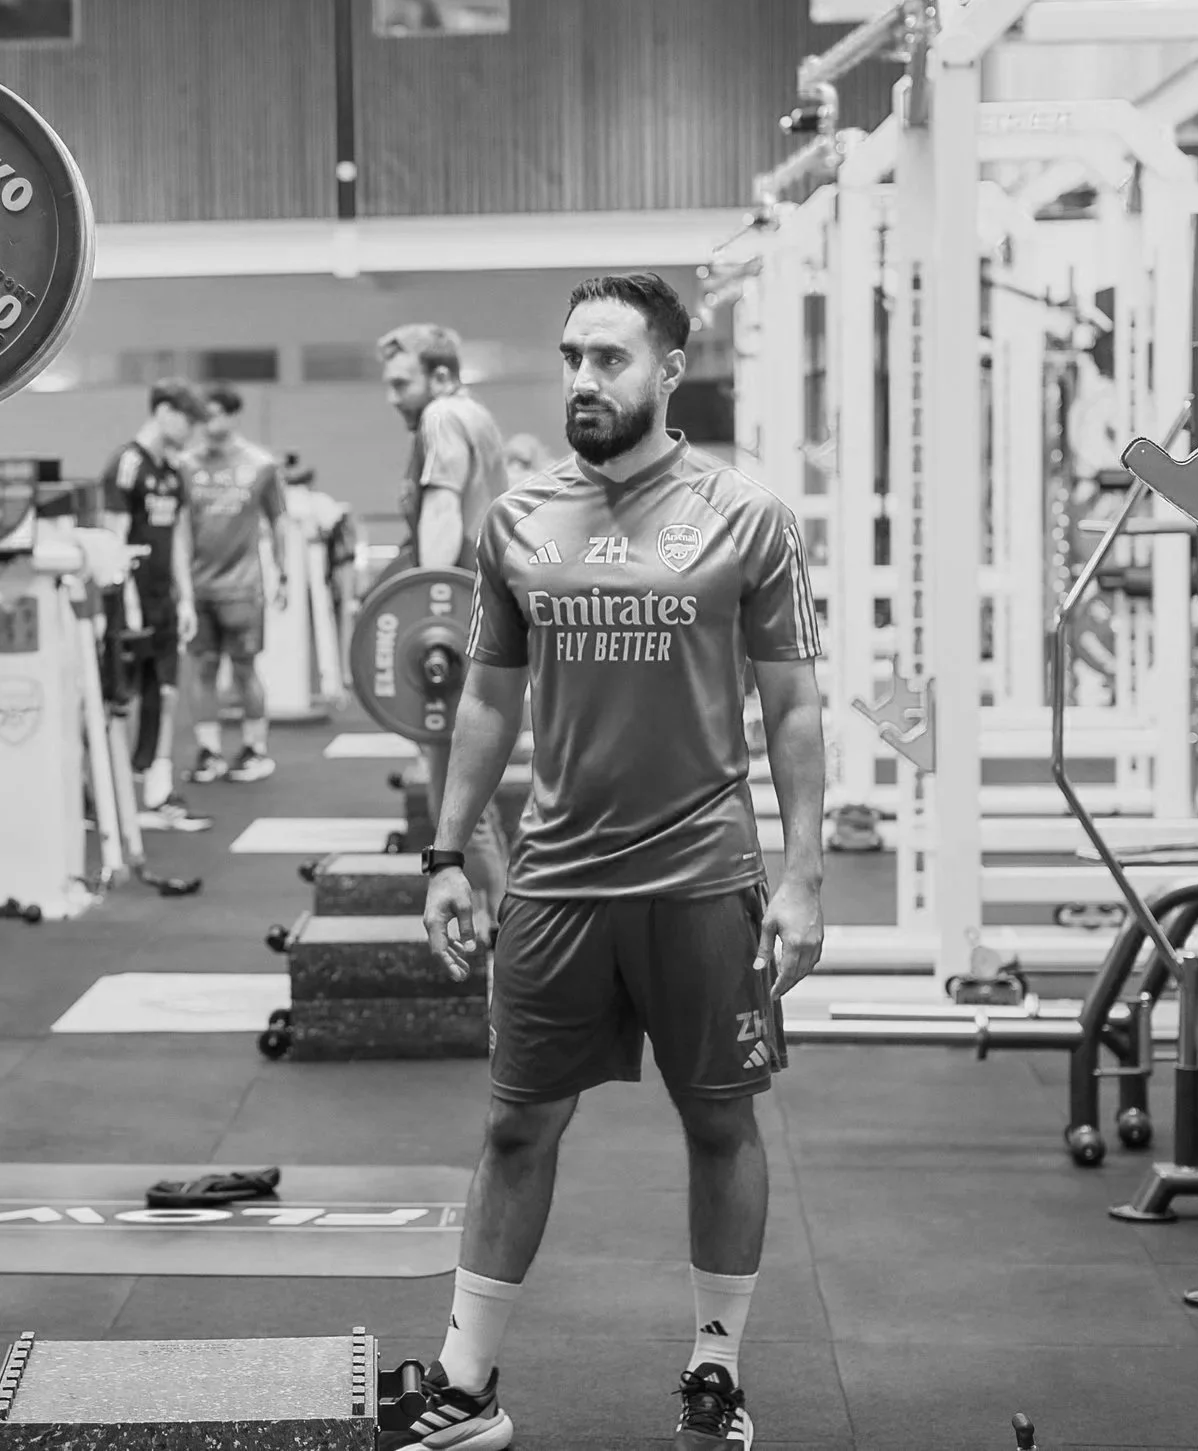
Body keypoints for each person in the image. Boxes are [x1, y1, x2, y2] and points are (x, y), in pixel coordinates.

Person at [388, 272, 827, 1451]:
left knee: (720, 1122)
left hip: (701, 877)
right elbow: (487, 697)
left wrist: (803, 873)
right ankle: (467, 1383)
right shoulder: (518, 516)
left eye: (611, 358)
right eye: (572, 356)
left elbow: (790, 707)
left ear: (670, 368)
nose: (584, 377)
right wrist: (443, 851)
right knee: (516, 1124)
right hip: (557, 880)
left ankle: (714, 1372)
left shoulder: (748, 517)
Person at [378, 324, 514, 923]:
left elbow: (441, 508)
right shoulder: (473, 414)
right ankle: (500, 919)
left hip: (457, 632)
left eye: (401, 382)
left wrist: (427, 605)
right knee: (469, 797)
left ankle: (499, 934)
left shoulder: (441, 417)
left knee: (458, 809)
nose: (393, 397)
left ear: (438, 376)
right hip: (477, 623)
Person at [101, 381, 205, 829]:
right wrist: (125, 603)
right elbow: (113, 541)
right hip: (130, 604)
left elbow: (178, 539)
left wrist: (186, 599)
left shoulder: (175, 472)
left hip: (164, 601)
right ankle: (112, 793)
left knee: (164, 691)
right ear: (164, 412)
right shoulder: (128, 464)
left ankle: (158, 791)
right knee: (121, 698)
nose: (193, 430)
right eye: (188, 419)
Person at [183, 384, 294, 784]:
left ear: (232, 416)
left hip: (244, 587)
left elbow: (279, 520)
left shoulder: (261, 465)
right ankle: (208, 751)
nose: (209, 424)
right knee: (204, 668)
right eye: (203, 416)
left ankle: (254, 749)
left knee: (245, 669)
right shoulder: (185, 465)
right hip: (197, 588)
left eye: (216, 415)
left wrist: (282, 571)